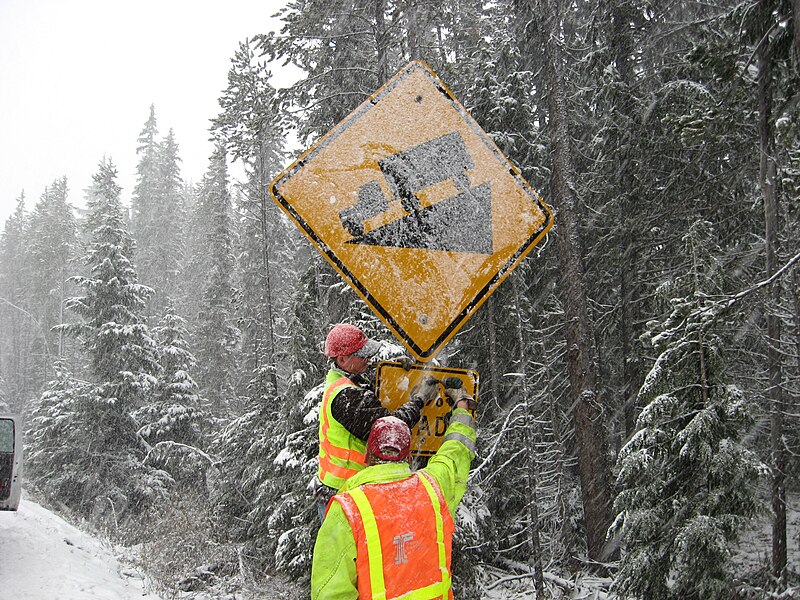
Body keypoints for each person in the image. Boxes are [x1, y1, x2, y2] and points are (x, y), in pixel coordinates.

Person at [311, 386, 477, 599]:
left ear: (366, 456)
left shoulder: (347, 511)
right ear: (408, 458)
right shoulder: (434, 488)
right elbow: (456, 451)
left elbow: (330, 592)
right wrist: (462, 407)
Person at [315, 323, 427, 521]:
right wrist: (420, 401)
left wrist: (395, 372)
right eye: (362, 354)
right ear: (342, 359)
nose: (368, 358)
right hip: (346, 496)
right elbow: (390, 430)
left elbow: (366, 391)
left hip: (345, 491)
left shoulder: (343, 382)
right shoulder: (346, 397)